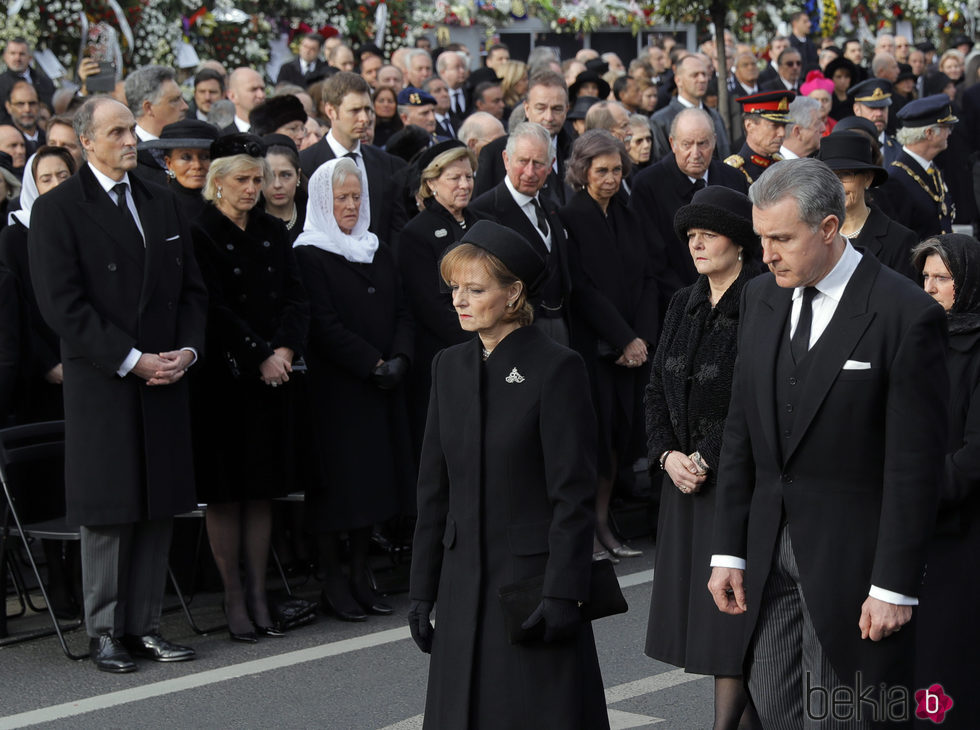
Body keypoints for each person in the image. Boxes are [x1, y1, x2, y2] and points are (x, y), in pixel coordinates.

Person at [707, 158, 948, 727]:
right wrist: (728, 550)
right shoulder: (761, 297)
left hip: (856, 569)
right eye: (761, 237)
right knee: (772, 707)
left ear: (829, 228)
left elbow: (913, 467)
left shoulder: (904, 313)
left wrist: (893, 585)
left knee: (845, 716)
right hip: (767, 560)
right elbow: (741, 432)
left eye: (781, 239)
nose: (765, 253)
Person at [29, 97, 208, 673]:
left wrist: (185, 350)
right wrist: (131, 359)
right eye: (118, 131)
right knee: (110, 508)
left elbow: (193, 291)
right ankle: (104, 631)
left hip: (165, 374)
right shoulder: (59, 209)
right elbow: (63, 306)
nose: (132, 139)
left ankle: (147, 626)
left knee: (158, 505)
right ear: (86, 141)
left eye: (132, 129)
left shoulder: (161, 200)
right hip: (106, 380)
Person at [408, 219, 609, 730]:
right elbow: (433, 489)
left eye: (475, 289)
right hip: (459, 585)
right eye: (455, 288)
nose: (459, 300)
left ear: (514, 293)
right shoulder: (448, 367)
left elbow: (573, 494)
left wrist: (564, 589)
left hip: (528, 586)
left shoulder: (556, 368)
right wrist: (421, 591)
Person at [645, 185, 761, 730]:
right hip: (684, 482)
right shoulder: (682, 301)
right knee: (706, 620)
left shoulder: (763, 299)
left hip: (735, 482)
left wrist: (705, 458)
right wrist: (667, 455)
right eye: (691, 236)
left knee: (732, 622)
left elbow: (753, 396)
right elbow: (655, 391)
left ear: (738, 242)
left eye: (707, 235)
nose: (696, 245)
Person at [189, 133, 309, 642]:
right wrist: (258, 354)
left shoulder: (270, 230)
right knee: (226, 493)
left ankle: (260, 591)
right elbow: (212, 307)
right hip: (225, 377)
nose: (253, 189)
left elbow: (296, 297)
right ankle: (233, 595)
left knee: (262, 489)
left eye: (257, 180)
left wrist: (282, 351)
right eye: (242, 180)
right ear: (217, 183)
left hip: (271, 377)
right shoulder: (201, 231)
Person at [294, 157, 414, 622]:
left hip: (383, 386)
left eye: (356, 196)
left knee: (373, 486)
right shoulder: (309, 252)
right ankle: (334, 579)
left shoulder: (376, 248)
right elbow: (322, 324)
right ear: (323, 202)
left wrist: (401, 357)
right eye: (340, 198)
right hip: (338, 391)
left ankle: (363, 573)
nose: (349, 205)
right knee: (339, 491)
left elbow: (403, 309)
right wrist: (371, 362)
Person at [559, 130, 659, 561]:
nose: (611, 178)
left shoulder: (626, 211)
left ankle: (606, 520)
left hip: (631, 348)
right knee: (595, 440)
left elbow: (646, 276)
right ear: (582, 173)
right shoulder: (572, 217)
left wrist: (642, 337)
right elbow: (581, 288)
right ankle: (592, 529)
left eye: (617, 170)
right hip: (595, 348)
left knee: (620, 438)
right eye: (601, 171)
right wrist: (622, 337)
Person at [911, 234, 980, 730]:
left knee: (950, 652)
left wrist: (918, 494)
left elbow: (975, 453)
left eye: (943, 279)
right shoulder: (915, 336)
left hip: (960, 527)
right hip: (914, 524)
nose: (930, 288)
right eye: (926, 277)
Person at [398, 141, 478, 452]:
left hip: (486, 349)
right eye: (455, 178)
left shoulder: (482, 221)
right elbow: (428, 305)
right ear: (431, 183)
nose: (464, 184)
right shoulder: (416, 233)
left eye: (469, 177)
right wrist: (479, 342)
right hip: (445, 355)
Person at [470, 122, 574, 345]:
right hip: (513, 335)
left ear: (551, 165)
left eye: (538, 163)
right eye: (523, 161)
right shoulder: (483, 211)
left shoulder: (552, 207)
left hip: (561, 328)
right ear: (506, 159)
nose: (530, 172)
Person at [0, 146, 74, 425]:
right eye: (46, 178)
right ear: (33, 185)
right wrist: (46, 363)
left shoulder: (91, 227)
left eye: (63, 175)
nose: (56, 185)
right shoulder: (14, 236)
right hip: (43, 370)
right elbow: (17, 309)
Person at [299, 72, 408, 249]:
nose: (365, 119)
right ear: (330, 111)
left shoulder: (388, 164)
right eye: (355, 110)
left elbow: (396, 229)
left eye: (367, 109)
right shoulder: (305, 164)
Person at [817, 132, 917, 279]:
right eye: (829, 176)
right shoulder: (811, 233)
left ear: (868, 179)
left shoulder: (899, 241)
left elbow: (906, 299)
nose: (836, 185)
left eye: (845, 174)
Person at [881, 94, 958, 240]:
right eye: (946, 127)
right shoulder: (895, 180)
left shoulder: (930, 168)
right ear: (929, 133)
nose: (949, 133)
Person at [139, 119, 218, 219]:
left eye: (205, 157)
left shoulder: (230, 201)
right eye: (186, 157)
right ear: (169, 163)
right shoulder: (155, 206)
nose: (197, 165)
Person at [725, 90, 794, 184]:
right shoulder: (733, 171)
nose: (782, 133)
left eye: (784, 126)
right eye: (774, 125)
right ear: (749, 126)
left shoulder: (781, 164)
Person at [262, 136, 305, 244]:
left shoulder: (312, 218)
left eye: (286, 175)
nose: (277, 185)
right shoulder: (247, 221)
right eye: (269, 176)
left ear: (298, 176)